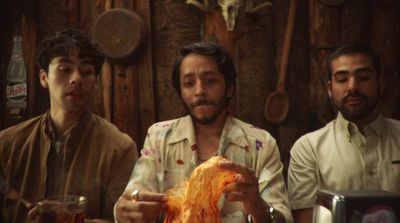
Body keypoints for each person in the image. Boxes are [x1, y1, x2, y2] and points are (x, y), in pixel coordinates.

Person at [114, 42, 293, 223]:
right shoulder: (160, 138)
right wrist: (125, 209)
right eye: (189, 83)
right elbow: (133, 196)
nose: (199, 91)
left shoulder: (260, 144)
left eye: (210, 81)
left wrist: (259, 206)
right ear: (181, 92)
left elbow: (283, 218)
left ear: (229, 87)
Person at [0, 28, 138, 222]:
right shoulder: (7, 144)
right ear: (44, 78)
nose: (76, 79)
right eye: (65, 69)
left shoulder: (119, 148)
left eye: (87, 72)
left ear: (95, 81)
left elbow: (121, 219)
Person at [287, 43, 400, 223]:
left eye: (363, 77)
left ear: (380, 82)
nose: (353, 87)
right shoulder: (309, 148)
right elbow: (306, 219)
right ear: (330, 89)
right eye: (342, 79)